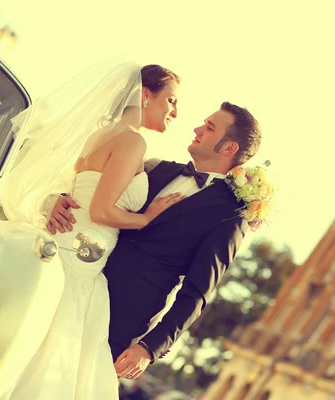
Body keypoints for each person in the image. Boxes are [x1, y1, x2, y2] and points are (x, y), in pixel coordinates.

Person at [1, 62, 182, 400]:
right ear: (145, 95)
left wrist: (52, 199)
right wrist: (147, 217)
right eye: (171, 100)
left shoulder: (98, 134)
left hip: (66, 242)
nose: (176, 110)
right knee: (55, 355)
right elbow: (100, 211)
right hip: (82, 258)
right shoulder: (132, 143)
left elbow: (79, 191)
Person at [49, 101, 262, 380]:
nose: (197, 129)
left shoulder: (230, 214)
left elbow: (196, 293)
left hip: (120, 319)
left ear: (229, 148)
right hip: (73, 281)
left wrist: (149, 349)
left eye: (209, 128)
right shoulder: (155, 168)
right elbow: (92, 193)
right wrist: (57, 200)